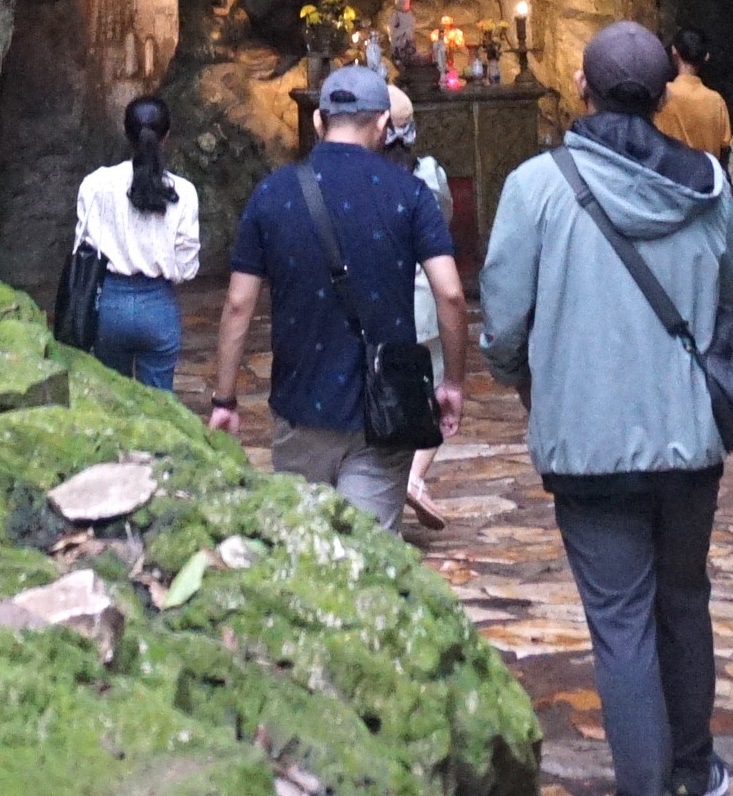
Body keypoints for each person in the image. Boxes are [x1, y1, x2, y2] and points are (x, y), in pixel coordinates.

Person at [481, 21, 733, 796]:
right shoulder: (707, 184)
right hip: (689, 437)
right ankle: (694, 770)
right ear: (664, 95)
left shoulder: (537, 187)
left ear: (581, 89)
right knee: (684, 601)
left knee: (621, 620)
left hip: (587, 443)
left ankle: (645, 784)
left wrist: (521, 378)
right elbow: (729, 294)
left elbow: (504, 319)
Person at [207, 62, 468, 531]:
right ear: (383, 123)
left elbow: (238, 305)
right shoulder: (410, 194)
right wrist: (452, 381)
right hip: (383, 410)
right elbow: (449, 293)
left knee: (306, 545)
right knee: (370, 553)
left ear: (317, 120)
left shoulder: (272, 193)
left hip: (301, 401)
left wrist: (225, 400)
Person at [70, 94, 200, 392]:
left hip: (109, 308)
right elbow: (187, 267)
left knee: (112, 400)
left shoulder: (95, 184)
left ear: (126, 132)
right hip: (158, 308)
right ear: (166, 136)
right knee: (161, 408)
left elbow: (83, 248)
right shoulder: (185, 192)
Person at [385, 83, 456, 529]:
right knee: (435, 398)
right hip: (425, 303)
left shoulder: (359, 180)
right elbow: (444, 219)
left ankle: (393, 481)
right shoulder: (428, 177)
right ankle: (413, 475)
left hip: (380, 306)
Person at [655, 28, 733, 157]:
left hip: (669, 169)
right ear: (705, 57)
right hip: (706, 169)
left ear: (674, 52)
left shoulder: (662, 95)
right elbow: (725, 146)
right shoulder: (716, 101)